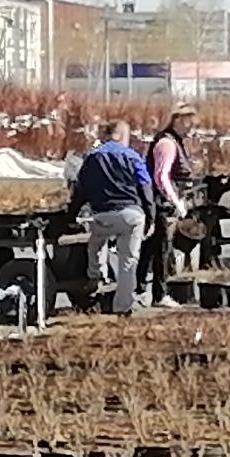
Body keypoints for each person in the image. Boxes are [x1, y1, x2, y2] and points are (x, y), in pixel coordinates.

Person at [67, 120, 154, 316]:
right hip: (131, 215)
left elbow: (80, 191)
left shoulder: (92, 157)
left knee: (96, 243)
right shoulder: (133, 156)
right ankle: (123, 307)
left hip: (102, 215)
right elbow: (146, 188)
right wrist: (150, 218)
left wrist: (70, 217)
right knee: (128, 261)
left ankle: (96, 277)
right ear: (123, 135)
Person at [138, 103, 197, 307]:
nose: (191, 127)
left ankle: (141, 289)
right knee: (161, 248)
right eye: (188, 122)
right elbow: (161, 176)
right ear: (177, 120)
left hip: (163, 202)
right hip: (162, 204)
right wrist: (175, 201)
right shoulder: (167, 143)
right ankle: (159, 294)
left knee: (153, 248)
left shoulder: (174, 142)